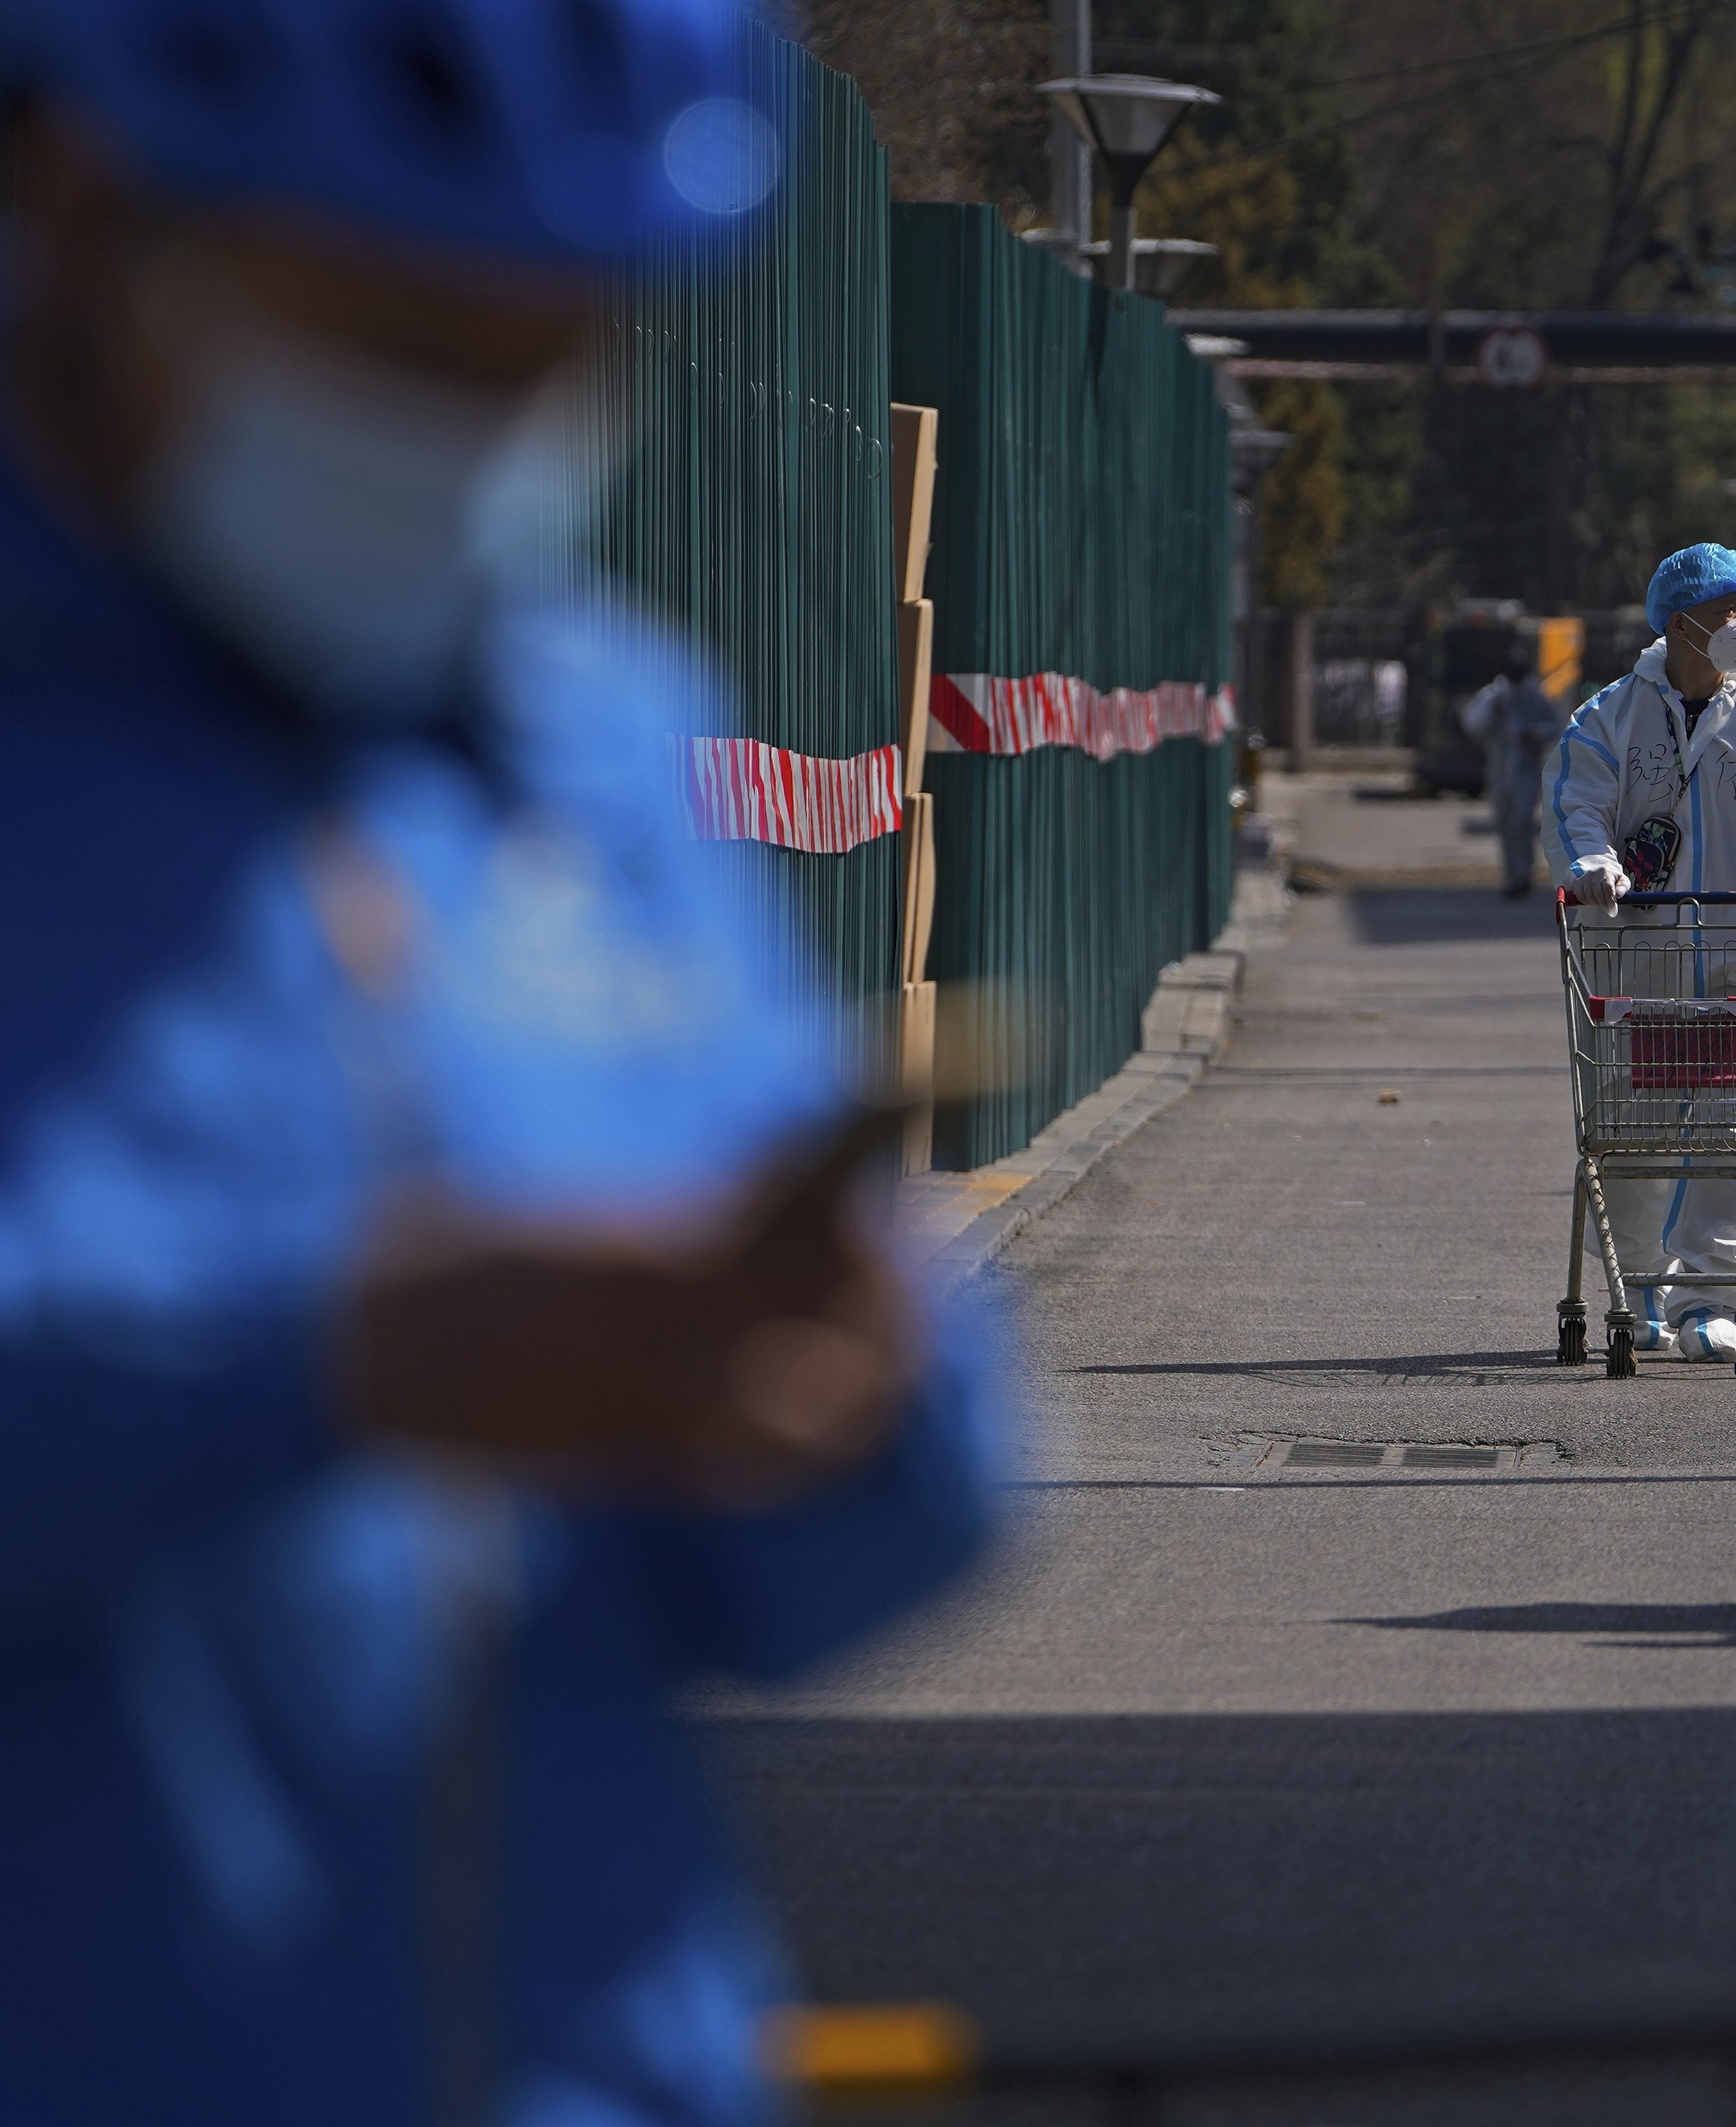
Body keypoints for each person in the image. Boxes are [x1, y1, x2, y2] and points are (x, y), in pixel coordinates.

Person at [0, 4, 998, 2118]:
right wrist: (319, 1364)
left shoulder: (590, 737)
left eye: (541, 355)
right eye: (392, 335)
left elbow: (811, 1576)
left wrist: (857, 1404)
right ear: (80, 211)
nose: (467, 435)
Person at [1546, 542, 1736, 1361]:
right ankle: (1635, 1290)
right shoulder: (1608, 718)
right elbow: (1577, 805)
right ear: (1679, 625)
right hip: (1637, 966)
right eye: (1728, 611)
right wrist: (1593, 868)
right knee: (1630, 1128)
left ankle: (1715, 1298)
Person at [1458, 647, 1564, 898]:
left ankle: (1522, 874)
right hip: (1499, 770)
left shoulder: (1536, 696)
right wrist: (1490, 714)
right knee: (1505, 823)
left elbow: (1556, 726)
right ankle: (1510, 874)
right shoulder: (1494, 695)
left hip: (1526, 771)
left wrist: (1535, 733)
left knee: (1522, 822)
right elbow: (1472, 725)